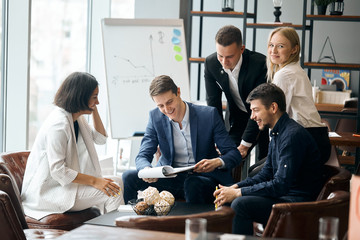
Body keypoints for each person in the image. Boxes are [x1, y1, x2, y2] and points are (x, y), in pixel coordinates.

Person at [213, 83, 324, 235]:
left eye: (255, 110)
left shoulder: (292, 136)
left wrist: (239, 193)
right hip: (284, 196)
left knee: (240, 204)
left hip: (296, 203)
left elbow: (280, 185)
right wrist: (236, 187)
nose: (252, 117)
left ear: (273, 107)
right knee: (230, 198)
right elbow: (266, 174)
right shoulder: (277, 132)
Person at [122, 75, 242, 204]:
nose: (167, 110)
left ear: (178, 92)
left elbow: (234, 154)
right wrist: (146, 170)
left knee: (192, 183)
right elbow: (142, 155)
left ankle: (191, 223)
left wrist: (217, 162)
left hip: (202, 179)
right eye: (160, 106)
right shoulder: (155, 117)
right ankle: (131, 221)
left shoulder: (208, 115)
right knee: (129, 177)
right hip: (171, 179)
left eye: (169, 102)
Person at [21, 72, 124, 220]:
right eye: (95, 97)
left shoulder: (77, 119)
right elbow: (58, 171)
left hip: (63, 186)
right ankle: (117, 235)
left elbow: (100, 139)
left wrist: (93, 108)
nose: (98, 102)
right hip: (49, 193)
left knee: (117, 181)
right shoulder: (59, 125)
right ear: (80, 96)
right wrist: (95, 181)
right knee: (115, 192)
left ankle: (109, 230)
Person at [267, 26, 331, 164]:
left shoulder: (284, 74)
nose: (273, 50)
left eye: (280, 46)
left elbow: (276, 115)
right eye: (271, 45)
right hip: (316, 138)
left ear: (294, 49)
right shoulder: (296, 70)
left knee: (257, 173)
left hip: (304, 139)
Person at [204, 25, 269, 160]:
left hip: (264, 118)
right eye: (220, 56)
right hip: (238, 117)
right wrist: (219, 138)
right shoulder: (211, 63)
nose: (224, 62)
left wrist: (245, 145)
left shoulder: (260, 65)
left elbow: (260, 107)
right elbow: (213, 104)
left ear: (242, 49)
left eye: (229, 57)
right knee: (228, 156)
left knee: (264, 163)